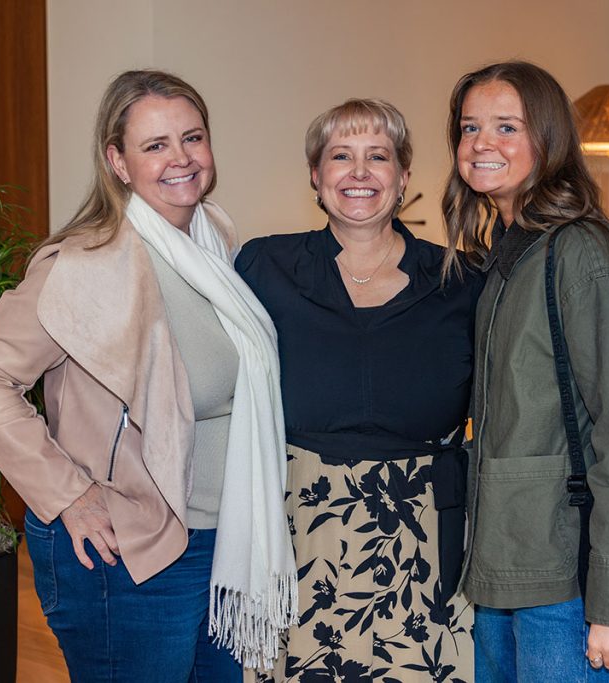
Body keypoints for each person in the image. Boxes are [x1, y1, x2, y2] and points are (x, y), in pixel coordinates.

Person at [0, 69, 296, 682]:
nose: (181, 158)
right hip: (127, 548)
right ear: (118, 162)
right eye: (155, 145)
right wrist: (69, 495)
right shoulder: (85, 263)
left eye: (192, 138)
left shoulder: (214, 240)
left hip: (221, 540)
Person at [442, 61, 609, 682]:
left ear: (548, 139)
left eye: (507, 126)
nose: (482, 143)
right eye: (470, 127)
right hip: (504, 565)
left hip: (570, 579)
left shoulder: (583, 253)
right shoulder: (509, 256)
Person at [236, 99, 481, 682]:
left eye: (379, 156)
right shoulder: (265, 266)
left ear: (403, 176)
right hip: (298, 527)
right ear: (315, 176)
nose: (360, 172)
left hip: (425, 534)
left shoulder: (462, 279)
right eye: (341, 156)